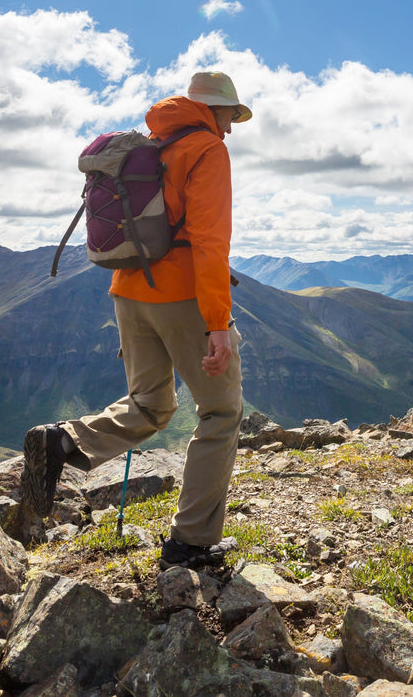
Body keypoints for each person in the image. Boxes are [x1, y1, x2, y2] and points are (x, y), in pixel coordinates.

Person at [22, 70, 252, 569]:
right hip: (182, 297)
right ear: (213, 110)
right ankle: (190, 543)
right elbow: (210, 242)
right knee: (221, 412)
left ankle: (62, 440)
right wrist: (218, 323)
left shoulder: (151, 143)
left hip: (127, 291)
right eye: (230, 116)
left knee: (150, 404)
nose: (231, 128)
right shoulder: (207, 150)